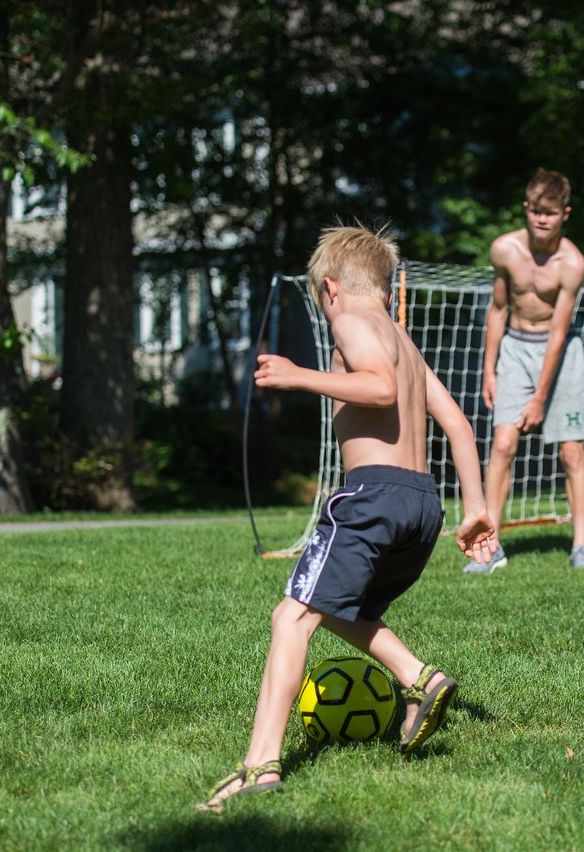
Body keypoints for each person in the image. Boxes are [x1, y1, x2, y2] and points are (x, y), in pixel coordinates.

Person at [197, 225, 495, 813]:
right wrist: (478, 507)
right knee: (341, 609)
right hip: (422, 504)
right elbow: (458, 424)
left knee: (292, 617)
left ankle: (260, 764)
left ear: (330, 288)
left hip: (371, 496)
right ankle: (421, 677)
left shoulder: (349, 323)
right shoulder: (403, 341)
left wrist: (296, 376)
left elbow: (378, 389)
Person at [463, 168, 584, 574]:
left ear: (565, 213)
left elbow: (559, 331)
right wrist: (489, 371)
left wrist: (540, 398)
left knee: (572, 452)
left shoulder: (571, 262)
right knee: (502, 445)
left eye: (551, 213)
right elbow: (499, 309)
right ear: (526, 208)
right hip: (515, 351)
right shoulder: (504, 250)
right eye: (536, 211)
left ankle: (580, 547)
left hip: (562, 354)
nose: (542, 219)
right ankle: (492, 547)